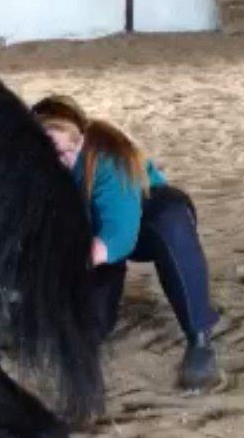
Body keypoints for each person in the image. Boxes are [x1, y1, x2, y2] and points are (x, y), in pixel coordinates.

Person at [31, 95, 221, 393]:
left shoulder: (106, 156)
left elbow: (120, 233)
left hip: (144, 221)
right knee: (90, 327)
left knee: (170, 222)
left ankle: (200, 339)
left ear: (75, 137)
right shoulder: (40, 169)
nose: (54, 160)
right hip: (93, 234)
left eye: (60, 151)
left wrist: (75, 260)